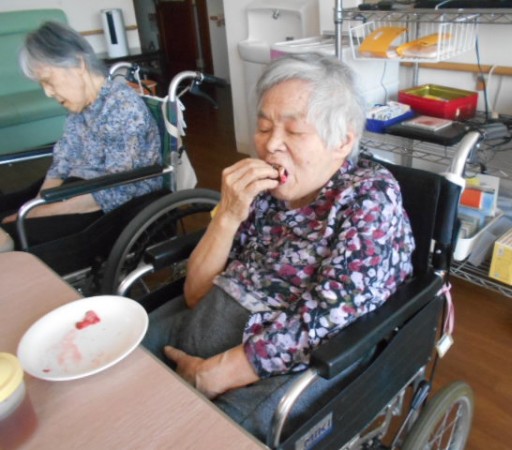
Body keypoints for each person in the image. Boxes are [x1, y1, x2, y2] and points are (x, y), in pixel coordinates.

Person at [142, 52, 416, 441]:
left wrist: (218, 373)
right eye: (264, 127)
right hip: (212, 317)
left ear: (342, 141)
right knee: (125, 364)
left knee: (207, 436)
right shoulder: (265, 190)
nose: (270, 145)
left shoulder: (370, 198)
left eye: (294, 131)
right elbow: (195, 294)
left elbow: (330, 315)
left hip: (298, 354)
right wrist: (228, 215)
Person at [0, 21, 162, 250]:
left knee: (10, 233)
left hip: (112, 207)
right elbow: (62, 164)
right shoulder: (81, 106)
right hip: (80, 188)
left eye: (48, 81)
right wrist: (35, 205)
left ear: (79, 64)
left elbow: (114, 192)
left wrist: (35, 214)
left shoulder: (122, 107)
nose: (47, 92)